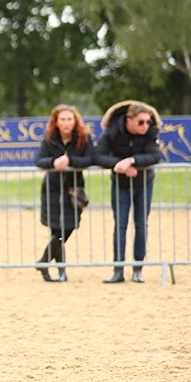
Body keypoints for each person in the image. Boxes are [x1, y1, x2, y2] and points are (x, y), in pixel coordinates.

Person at [93, 100, 163, 283]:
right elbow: (98, 155)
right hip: (120, 185)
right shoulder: (112, 132)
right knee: (121, 226)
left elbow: (155, 156)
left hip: (144, 183)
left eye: (148, 122)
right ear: (128, 120)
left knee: (141, 224)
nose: (146, 126)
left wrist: (131, 161)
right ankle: (118, 270)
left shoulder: (150, 133)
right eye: (141, 122)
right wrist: (118, 165)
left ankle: (138, 269)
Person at [33, 105, 92, 282]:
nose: (66, 123)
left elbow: (90, 159)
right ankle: (60, 271)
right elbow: (39, 160)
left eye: (69, 119)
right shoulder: (49, 139)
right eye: (63, 119)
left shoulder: (83, 138)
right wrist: (54, 162)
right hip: (52, 189)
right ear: (56, 122)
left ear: (75, 121)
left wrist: (71, 160)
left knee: (68, 227)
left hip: (73, 190)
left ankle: (44, 261)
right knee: (56, 230)